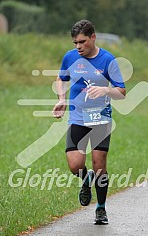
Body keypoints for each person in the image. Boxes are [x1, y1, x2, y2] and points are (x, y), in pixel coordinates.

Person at [52, 19, 126, 224]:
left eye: (82, 42)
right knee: (75, 164)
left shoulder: (108, 60)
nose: (78, 47)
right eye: (75, 42)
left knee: (99, 164)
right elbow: (61, 78)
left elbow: (122, 92)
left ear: (93, 38)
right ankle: (86, 179)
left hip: (100, 117)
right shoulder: (70, 57)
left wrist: (106, 90)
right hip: (77, 116)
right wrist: (61, 99)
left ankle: (101, 209)